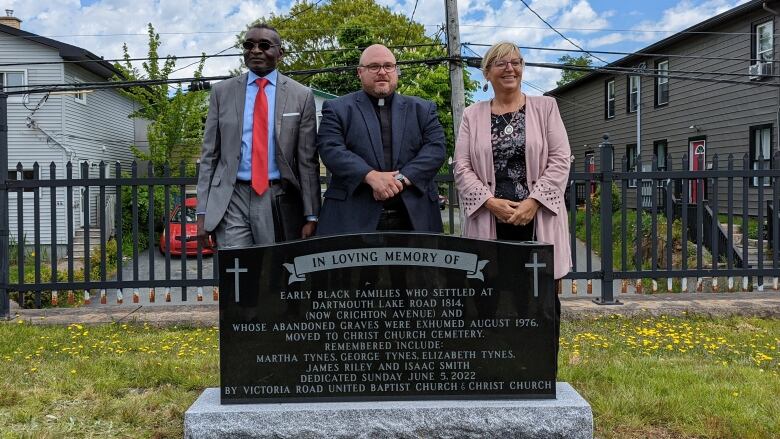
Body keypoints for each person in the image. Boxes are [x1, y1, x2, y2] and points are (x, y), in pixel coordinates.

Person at [453, 41, 572, 358]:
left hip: (536, 222)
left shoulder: (546, 108)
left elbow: (561, 159)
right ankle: (492, 366)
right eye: (501, 63)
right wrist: (490, 202)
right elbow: (461, 166)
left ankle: (536, 367)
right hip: (489, 221)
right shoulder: (471, 115)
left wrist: (533, 202)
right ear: (487, 72)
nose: (510, 68)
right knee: (487, 299)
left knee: (535, 300)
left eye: (516, 62)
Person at [196, 23, 320, 249]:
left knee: (273, 271)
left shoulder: (301, 96)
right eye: (249, 45)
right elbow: (209, 157)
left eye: (264, 45)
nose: (255, 50)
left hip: (277, 197)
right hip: (232, 197)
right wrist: (202, 212)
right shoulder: (222, 93)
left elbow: (307, 161)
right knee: (236, 270)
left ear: (280, 53)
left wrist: (311, 215)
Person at [316, 44, 446, 235]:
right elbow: (331, 149)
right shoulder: (337, 108)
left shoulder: (423, 109)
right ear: (360, 72)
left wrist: (399, 180)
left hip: (414, 217)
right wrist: (370, 176)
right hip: (351, 217)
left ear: (396, 71)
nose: (382, 72)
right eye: (374, 66)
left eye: (388, 66)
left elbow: (436, 150)